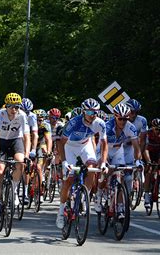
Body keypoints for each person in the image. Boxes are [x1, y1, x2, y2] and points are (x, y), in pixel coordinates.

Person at [55, 98, 108, 229]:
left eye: (95, 112)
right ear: (84, 112)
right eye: (90, 112)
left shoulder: (100, 123)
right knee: (69, 179)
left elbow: (104, 144)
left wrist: (103, 162)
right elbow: (61, 142)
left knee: (92, 168)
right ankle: (61, 212)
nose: (93, 115)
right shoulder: (74, 122)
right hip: (69, 147)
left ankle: (85, 196)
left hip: (85, 145)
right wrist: (64, 161)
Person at [0, 93, 31, 223]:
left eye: (16, 107)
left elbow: (27, 137)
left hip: (15, 141)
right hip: (1, 142)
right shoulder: (0, 114)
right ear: (6, 106)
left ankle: (14, 191)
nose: (14, 109)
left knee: (20, 162)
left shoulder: (22, 115)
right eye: (10, 106)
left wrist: (27, 155)